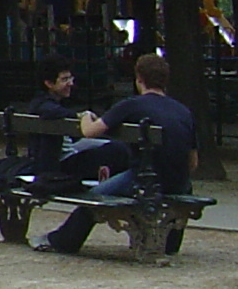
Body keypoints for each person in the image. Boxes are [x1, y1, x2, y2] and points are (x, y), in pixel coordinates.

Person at [37, 53, 194, 254]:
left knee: (92, 198)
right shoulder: (183, 111)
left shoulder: (131, 105)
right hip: (179, 181)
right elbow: (193, 161)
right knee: (177, 189)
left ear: (139, 79)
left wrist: (84, 115)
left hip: (143, 180)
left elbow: (89, 131)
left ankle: (62, 241)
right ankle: (169, 246)